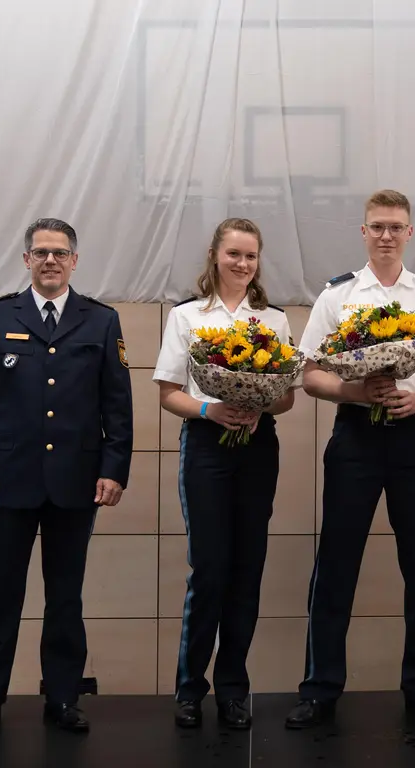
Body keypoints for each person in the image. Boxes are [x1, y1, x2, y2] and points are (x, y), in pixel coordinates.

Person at [286, 189, 415, 729]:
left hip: (414, 436)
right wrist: (354, 392)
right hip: (355, 437)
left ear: (410, 233)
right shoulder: (337, 295)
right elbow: (310, 373)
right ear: (363, 232)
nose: (386, 235)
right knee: (336, 564)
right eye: (377, 227)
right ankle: (320, 688)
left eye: (396, 227)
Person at [0, 218, 134, 737]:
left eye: (59, 253)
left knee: (65, 597)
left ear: (74, 261)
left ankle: (62, 698)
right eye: (41, 253)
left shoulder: (101, 321)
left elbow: (117, 406)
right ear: (26, 260)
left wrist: (113, 469)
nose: (50, 260)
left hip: (76, 481)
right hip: (7, 483)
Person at [154, 218, 295, 730]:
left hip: (257, 446)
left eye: (250, 256)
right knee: (209, 570)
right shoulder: (187, 316)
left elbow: (286, 396)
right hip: (206, 445)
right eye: (234, 254)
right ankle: (190, 688)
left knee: (246, 570)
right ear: (215, 255)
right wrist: (210, 409)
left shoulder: (273, 319)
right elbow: (168, 393)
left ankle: (234, 688)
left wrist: (260, 404)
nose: (242, 263)